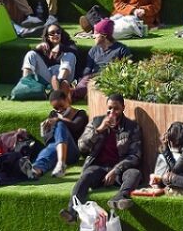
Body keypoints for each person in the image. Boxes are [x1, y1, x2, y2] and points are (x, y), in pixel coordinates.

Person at [60, 94, 142, 223]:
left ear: (123, 108)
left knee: (135, 173)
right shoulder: (96, 122)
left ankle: (119, 198)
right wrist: (98, 131)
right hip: (98, 167)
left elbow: (135, 156)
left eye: (116, 109)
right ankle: (72, 211)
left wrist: (116, 170)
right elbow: (82, 147)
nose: (112, 112)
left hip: (119, 170)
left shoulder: (132, 127)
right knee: (86, 175)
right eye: (110, 108)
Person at [25, 90, 89, 179]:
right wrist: (45, 132)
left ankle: (61, 164)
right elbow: (48, 141)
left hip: (72, 153)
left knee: (60, 125)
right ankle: (36, 170)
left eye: (61, 106)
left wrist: (59, 120)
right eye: (56, 108)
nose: (59, 110)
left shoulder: (81, 114)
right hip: (56, 149)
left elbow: (75, 127)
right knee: (50, 150)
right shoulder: (53, 114)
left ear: (67, 100)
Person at [72, 18, 131, 101]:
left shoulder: (121, 50)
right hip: (92, 79)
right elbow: (87, 71)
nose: (93, 36)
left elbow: (125, 71)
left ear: (104, 35)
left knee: (96, 87)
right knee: (80, 88)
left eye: (96, 33)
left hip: (109, 80)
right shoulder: (94, 50)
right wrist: (83, 80)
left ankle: (89, 94)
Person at [21, 24, 78, 92]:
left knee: (70, 55)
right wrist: (37, 48)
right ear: (48, 36)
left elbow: (75, 52)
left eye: (58, 32)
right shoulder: (45, 47)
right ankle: (26, 84)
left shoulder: (69, 44)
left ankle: (59, 83)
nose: (56, 34)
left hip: (65, 78)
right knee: (30, 54)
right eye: (52, 33)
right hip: (49, 76)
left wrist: (60, 47)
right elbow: (34, 58)